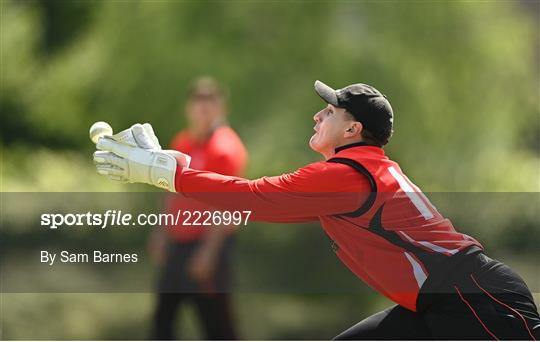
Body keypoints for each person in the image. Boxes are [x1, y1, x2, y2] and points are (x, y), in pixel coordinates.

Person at [94, 80, 540, 340]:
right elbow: (252, 195)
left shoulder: (347, 175)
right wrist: (176, 167)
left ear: (352, 127)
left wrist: (165, 174)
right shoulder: (355, 169)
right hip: (439, 302)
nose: (316, 116)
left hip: (475, 297)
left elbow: (254, 198)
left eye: (327, 112)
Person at [148, 77, 247, 340]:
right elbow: (169, 189)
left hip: (207, 245)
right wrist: (160, 231)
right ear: (188, 107)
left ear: (221, 107)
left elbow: (228, 205)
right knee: (163, 320)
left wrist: (208, 252)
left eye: (210, 100)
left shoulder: (225, 148)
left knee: (217, 326)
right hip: (177, 244)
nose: (203, 107)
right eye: (198, 100)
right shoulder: (183, 142)